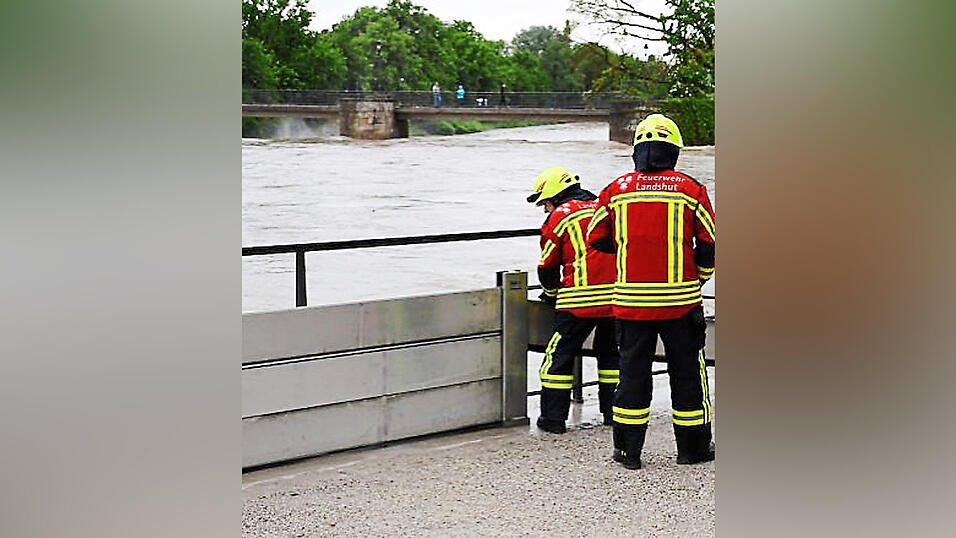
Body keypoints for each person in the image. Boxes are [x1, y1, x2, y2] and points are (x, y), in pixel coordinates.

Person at [587, 114, 716, 470]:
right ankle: (693, 450)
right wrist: (699, 277)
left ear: (637, 151)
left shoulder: (615, 191)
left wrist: (631, 253)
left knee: (632, 376)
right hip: (681, 303)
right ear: (673, 150)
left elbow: (595, 238)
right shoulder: (692, 190)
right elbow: (710, 246)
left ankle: (628, 453)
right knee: (688, 374)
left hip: (630, 306)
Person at [528, 166, 620, 434]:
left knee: (559, 356)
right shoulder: (605, 208)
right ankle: (612, 413)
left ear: (555, 196)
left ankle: (553, 419)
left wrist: (551, 293)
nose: (545, 209)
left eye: (544, 202)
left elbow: (546, 267)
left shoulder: (559, 217)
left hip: (577, 302)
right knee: (611, 355)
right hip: (616, 298)